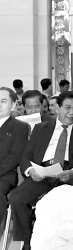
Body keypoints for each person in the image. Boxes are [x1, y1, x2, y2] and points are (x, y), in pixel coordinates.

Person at [7, 91, 73, 250]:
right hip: (42, 174)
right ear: (57, 108)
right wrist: (31, 171)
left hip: (68, 175)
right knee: (17, 198)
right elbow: (26, 156)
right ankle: (26, 248)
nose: (72, 112)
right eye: (67, 108)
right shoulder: (41, 129)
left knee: (65, 202)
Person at [0, 87, 29, 227]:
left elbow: (14, 158)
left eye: (3, 101)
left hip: (4, 176)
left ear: (12, 106)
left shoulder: (20, 127)